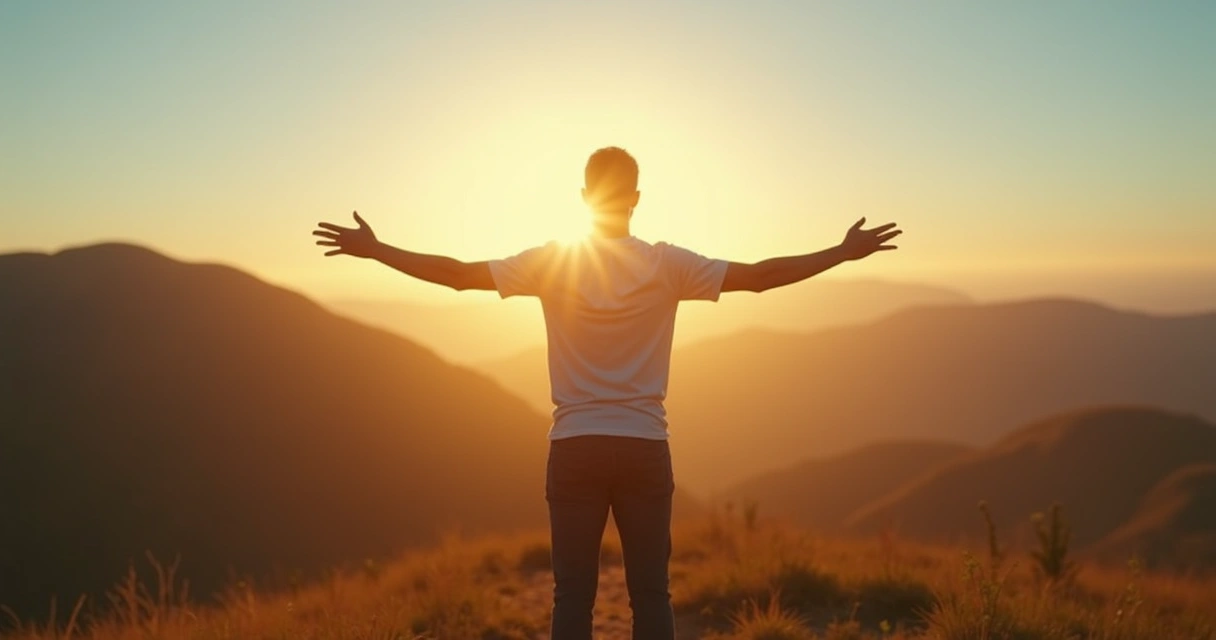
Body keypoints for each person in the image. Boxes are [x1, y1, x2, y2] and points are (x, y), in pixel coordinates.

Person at [312, 146, 901, 640]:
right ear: (637, 197)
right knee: (652, 595)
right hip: (645, 445)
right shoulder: (668, 265)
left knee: (572, 597)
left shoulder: (551, 262)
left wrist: (379, 249)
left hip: (574, 447)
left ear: (584, 195)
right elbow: (759, 278)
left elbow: (460, 275)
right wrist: (840, 253)